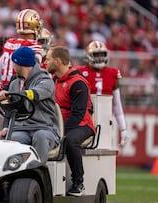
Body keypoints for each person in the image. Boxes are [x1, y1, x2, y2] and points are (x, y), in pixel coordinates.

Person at [0, 46, 60, 165]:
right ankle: (14, 173)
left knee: (40, 136)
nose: (13, 66)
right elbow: (10, 111)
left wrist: (12, 94)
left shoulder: (45, 81)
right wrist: (6, 127)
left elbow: (34, 93)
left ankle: (37, 173)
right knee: (14, 139)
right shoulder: (14, 83)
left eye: (14, 62)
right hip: (21, 128)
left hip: (44, 127)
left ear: (21, 64)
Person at [45, 46, 95, 196]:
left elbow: (78, 114)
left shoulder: (78, 83)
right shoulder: (54, 80)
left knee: (70, 140)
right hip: (59, 124)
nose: (45, 62)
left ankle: (78, 182)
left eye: (48, 59)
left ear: (58, 61)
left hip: (82, 125)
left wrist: (60, 132)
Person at [76, 40, 129, 146]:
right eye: (96, 54)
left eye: (102, 54)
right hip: (85, 120)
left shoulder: (112, 73)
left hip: (105, 120)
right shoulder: (80, 72)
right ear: (88, 56)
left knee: (104, 151)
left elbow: (117, 105)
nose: (99, 58)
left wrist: (123, 129)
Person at [0, 8, 43, 86]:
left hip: (3, 88)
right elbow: (35, 73)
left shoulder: (8, 43)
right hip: (20, 90)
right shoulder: (33, 45)